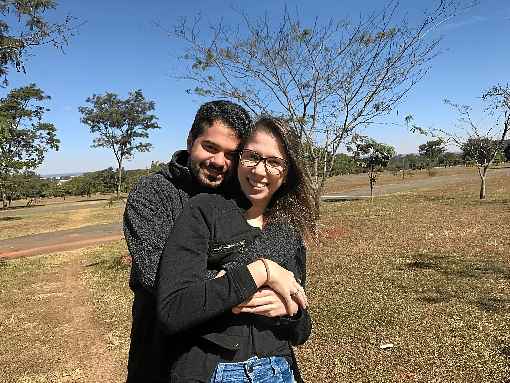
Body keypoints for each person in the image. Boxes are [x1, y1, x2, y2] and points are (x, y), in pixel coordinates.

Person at [124, 102, 301, 382]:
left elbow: (284, 265)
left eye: (231, 154)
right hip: (162, 350)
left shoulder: (243, 196)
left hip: (241, 355)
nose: (219, 161)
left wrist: (283, 300)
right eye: (210, 147)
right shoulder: (153, 195)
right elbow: (164, 283)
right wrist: (258, 275)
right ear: (190, 141)